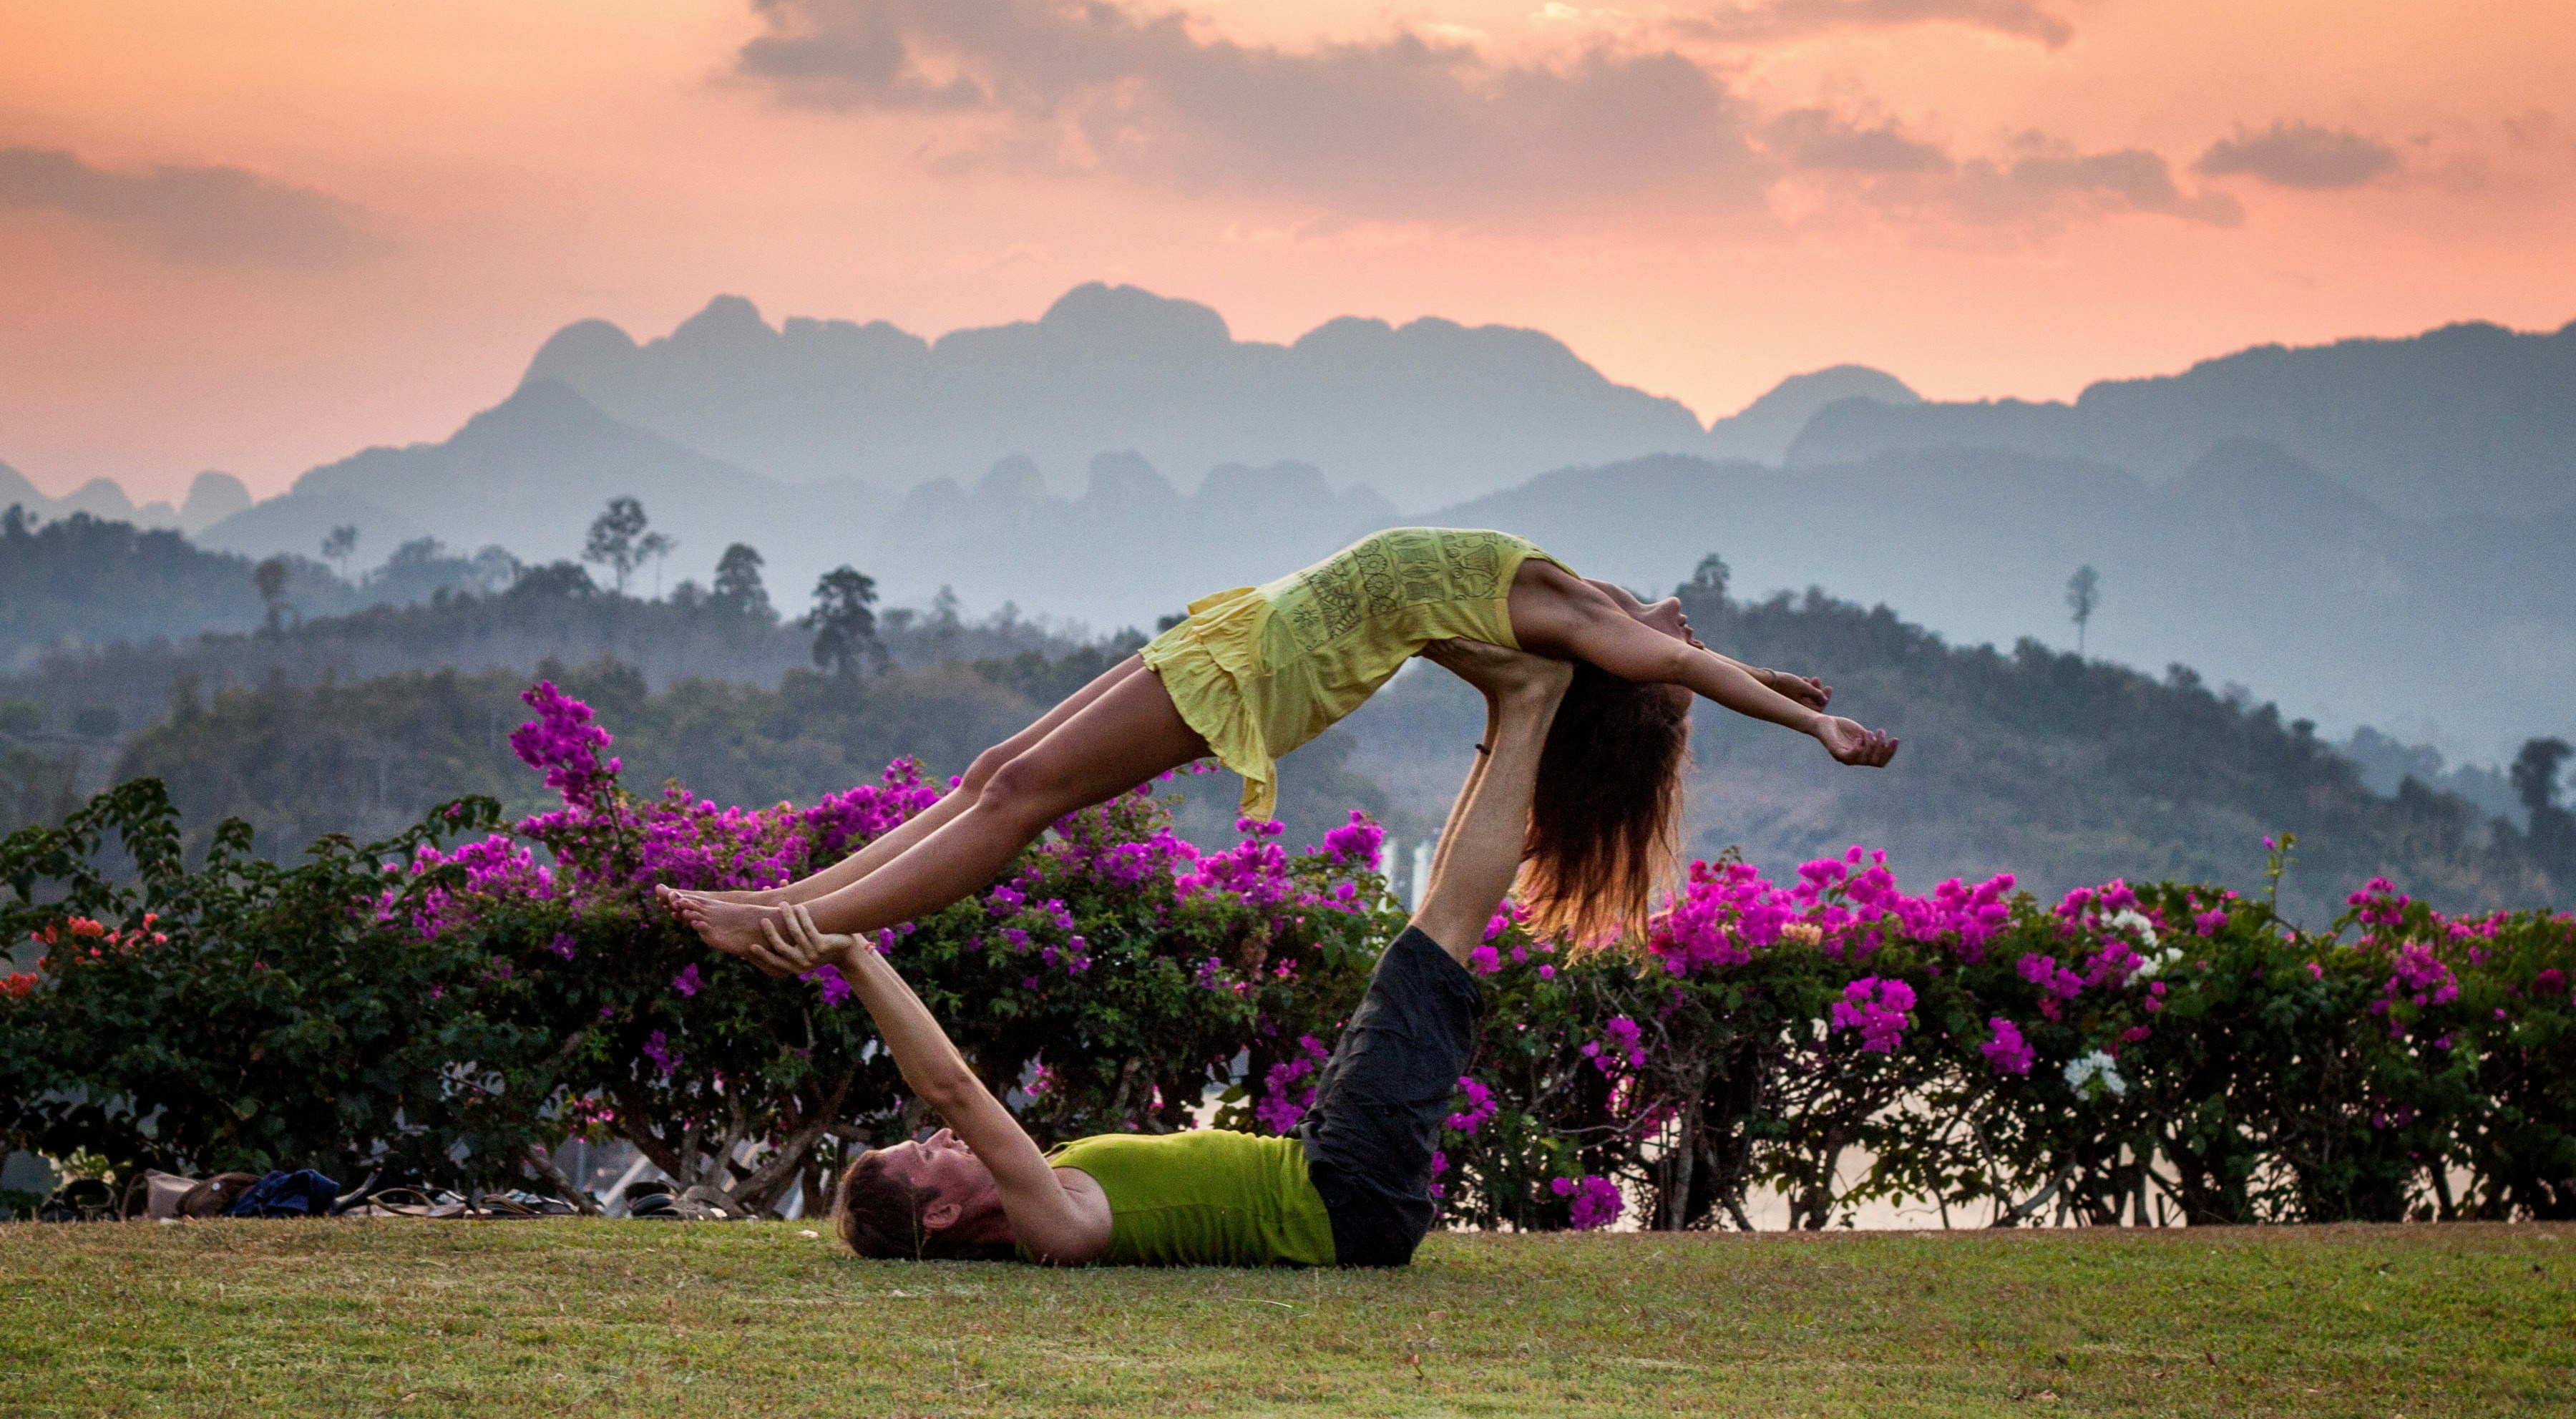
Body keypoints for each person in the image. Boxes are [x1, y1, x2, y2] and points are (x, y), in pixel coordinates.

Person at [665, 526, 1896, 958]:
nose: (1689, 627)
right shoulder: (1589, 606)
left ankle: (801, 929)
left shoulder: (1591, 627)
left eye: (1679, 658)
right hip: (1251, 628)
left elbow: (1677, 662)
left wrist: (1810, 724)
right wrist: (1777, 680)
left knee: (1026, 795)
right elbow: (1688, 657)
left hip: (1273, 668)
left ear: (1628, 670)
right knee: (997, 771)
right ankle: (788, 898)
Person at [764, 640, 1574, 1265]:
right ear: (939, 1214)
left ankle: (1512, 712)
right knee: (1431, 954)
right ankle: (1533, 701)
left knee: (1424, 943)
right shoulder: (1052, 1225)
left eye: (927, 1136)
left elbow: (953, 1099)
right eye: (926, 1153)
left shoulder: (1050, 1190)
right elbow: (952, 1086)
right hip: (1346, 1199)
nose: (940, 1136)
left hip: (1327, 1171)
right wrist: (855, 953)